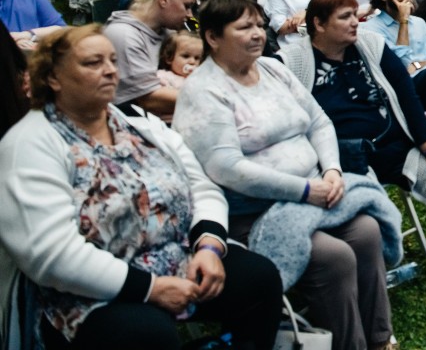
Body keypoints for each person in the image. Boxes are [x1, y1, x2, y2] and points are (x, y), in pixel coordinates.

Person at [0, 25, 283, 349]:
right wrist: (150, 287)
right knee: (145, 333)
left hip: (179, 261)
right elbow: (50, 253)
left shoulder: (138, 123)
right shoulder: (31, 142)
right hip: (87, 291)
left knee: (258, 279)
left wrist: (208, 246)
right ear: (53, 78)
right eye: (92, 63)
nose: (109, 70)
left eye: (112, 61)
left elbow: (200, 187)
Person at [174, 0, 399, 350]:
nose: (257, 34)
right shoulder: (204, 90)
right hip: (255, 208)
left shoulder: (273, 69)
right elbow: (227, 168)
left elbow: (319, 122)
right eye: (244, 27)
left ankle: (381, 338)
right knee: (334, 256)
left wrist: (332, 171)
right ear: (213, 37)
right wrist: (306, 190)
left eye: (260, 26)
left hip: (317, 191)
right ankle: (348, 344)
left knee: (368, 230)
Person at [279, 0, 426, 315]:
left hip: (391, 146)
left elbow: (407, 96)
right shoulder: (293, 62)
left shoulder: (371, 45)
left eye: (356, 14)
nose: (355, 22)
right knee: (361, 215)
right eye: (345, 17)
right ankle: (361, 280)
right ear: (318, 23)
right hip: (338, 161)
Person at [104, 0, 197, 118]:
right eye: (186, 6)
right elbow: (149, 98)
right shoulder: (124, 35)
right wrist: (208, 99)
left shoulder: (165, 30)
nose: (189, 15)